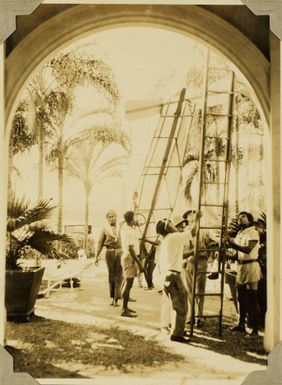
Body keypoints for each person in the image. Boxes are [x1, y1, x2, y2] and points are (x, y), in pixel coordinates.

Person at [156, 211, 201, 343]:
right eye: (169, 223)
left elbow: (180, 255)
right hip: (173, 274)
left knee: (175, 304)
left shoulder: (166, 240)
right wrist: (197, 218)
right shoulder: (174, 236)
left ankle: (176, 329)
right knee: (181, 306)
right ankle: (177, 334)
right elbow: (193, 232)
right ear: (167, 227)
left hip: (167, 274)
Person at [224, 211, 262, 337]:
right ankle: (241, 325)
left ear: (249, 220)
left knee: (252, 297)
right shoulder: (240, 233)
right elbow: (239, 253)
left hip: (251, 266)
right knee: (241, 297)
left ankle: (255, 329)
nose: (241, 219)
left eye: (244, 217)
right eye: (239, 217)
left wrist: (232, 243)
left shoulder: (253, 232)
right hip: (241, 266)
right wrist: (229, 254)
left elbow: (248, 249)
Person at [182, 210, 217, 328]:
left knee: (200, 291)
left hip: (201, 261)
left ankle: (199, 316)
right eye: (189, 219)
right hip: (188, 262)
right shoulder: (185, 232)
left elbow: (214, 244)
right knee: (189, 290)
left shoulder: (205, 230)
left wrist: (208, 254)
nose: (191, 221)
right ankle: (191, 316)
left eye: (193, 218)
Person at [95, 210, 123, 307]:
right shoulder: (104, 229)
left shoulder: (121, 227)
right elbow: (100, 243)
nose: (112, 218)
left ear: (116, 217)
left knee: (119, 276)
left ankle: (117, 299)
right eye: (109, 217)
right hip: (109, 253)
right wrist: (96, 256)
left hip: (120, 252)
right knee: (112, 276)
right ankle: (112, 298)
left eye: (113, 216)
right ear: (107, 219)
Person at [120, 210, 145, 317]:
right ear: (131, 219)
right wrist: (139, 264)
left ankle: (125, 307)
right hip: (130, 257)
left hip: (130, 257)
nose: (137, 220)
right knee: (128, 283)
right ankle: (124, 309)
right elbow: (131, 249)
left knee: (128, 283)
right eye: (135, 218)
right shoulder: (128, 230)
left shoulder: (128, 228)